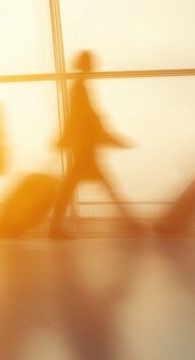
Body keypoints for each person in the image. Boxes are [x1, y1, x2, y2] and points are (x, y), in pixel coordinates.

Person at [48, 51, 140, 240]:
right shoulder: (80, 87)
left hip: (83, 146)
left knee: (76, 186)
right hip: (84, 147)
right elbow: (87, 119)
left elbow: (83, 119)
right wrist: (109, 138)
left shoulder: (79, 86)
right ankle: (130, 222)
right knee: (90, 185)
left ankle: (55, 227)